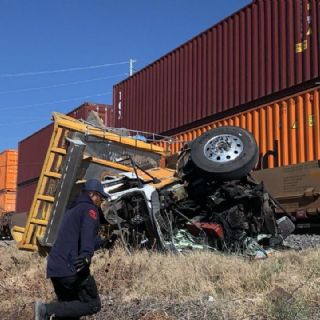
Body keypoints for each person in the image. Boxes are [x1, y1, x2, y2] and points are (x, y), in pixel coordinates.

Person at [35, 179, 114, 320]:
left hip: (55, 268)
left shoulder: (71, 210)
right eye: (100, 197)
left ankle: (47, 312)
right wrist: (86, 256)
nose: (101, 201)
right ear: (92, 195)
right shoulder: (89, 210)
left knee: (69, 311)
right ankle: (45, 310)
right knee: (93, 304)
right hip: (72, 267)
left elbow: (79, 239)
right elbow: (86, 236)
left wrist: (103, 243)